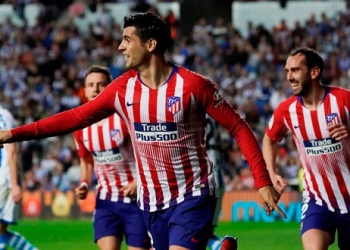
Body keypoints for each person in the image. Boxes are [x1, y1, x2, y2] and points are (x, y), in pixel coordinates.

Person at [0, 12, 286, 250]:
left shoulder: (193, 86)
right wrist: (13, 134)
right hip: (151, 203)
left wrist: (261, 181)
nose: (121, 47)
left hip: (193, 194)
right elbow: (76, 117)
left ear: (150, 44)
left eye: (127, 40)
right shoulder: (122, 89)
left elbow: (238, 126)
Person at [262, 47, 350, 250]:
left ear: (314, 72)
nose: (289, 77)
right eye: (287, 71)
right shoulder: (287, 110)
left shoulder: (343, 100)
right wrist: (271, 172)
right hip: (317, 200)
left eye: (295, 70)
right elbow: (269, 138)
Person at [73, 65, 150, 250]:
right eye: (90, 85)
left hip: (138, 200)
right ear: (85, 90)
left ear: (110, 87)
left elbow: (150, 152)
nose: (95, 89)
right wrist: (84, 182)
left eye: (101, 84)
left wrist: (139, 181)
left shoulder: (126, 117)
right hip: (106, 200)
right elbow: (87, 160)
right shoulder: (80, 126)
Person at [0, 106, 38, 250]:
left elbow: (12, 150)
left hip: (4, 179)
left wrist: (15, 183)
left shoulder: (3, 115)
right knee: (1, 230)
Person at [205, 114, 237, 250]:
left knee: (188, 232)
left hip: (201, 179)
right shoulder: (213, 113)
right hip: (218, 177)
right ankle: (221, 247)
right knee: (206, 233)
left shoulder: (192, 110)